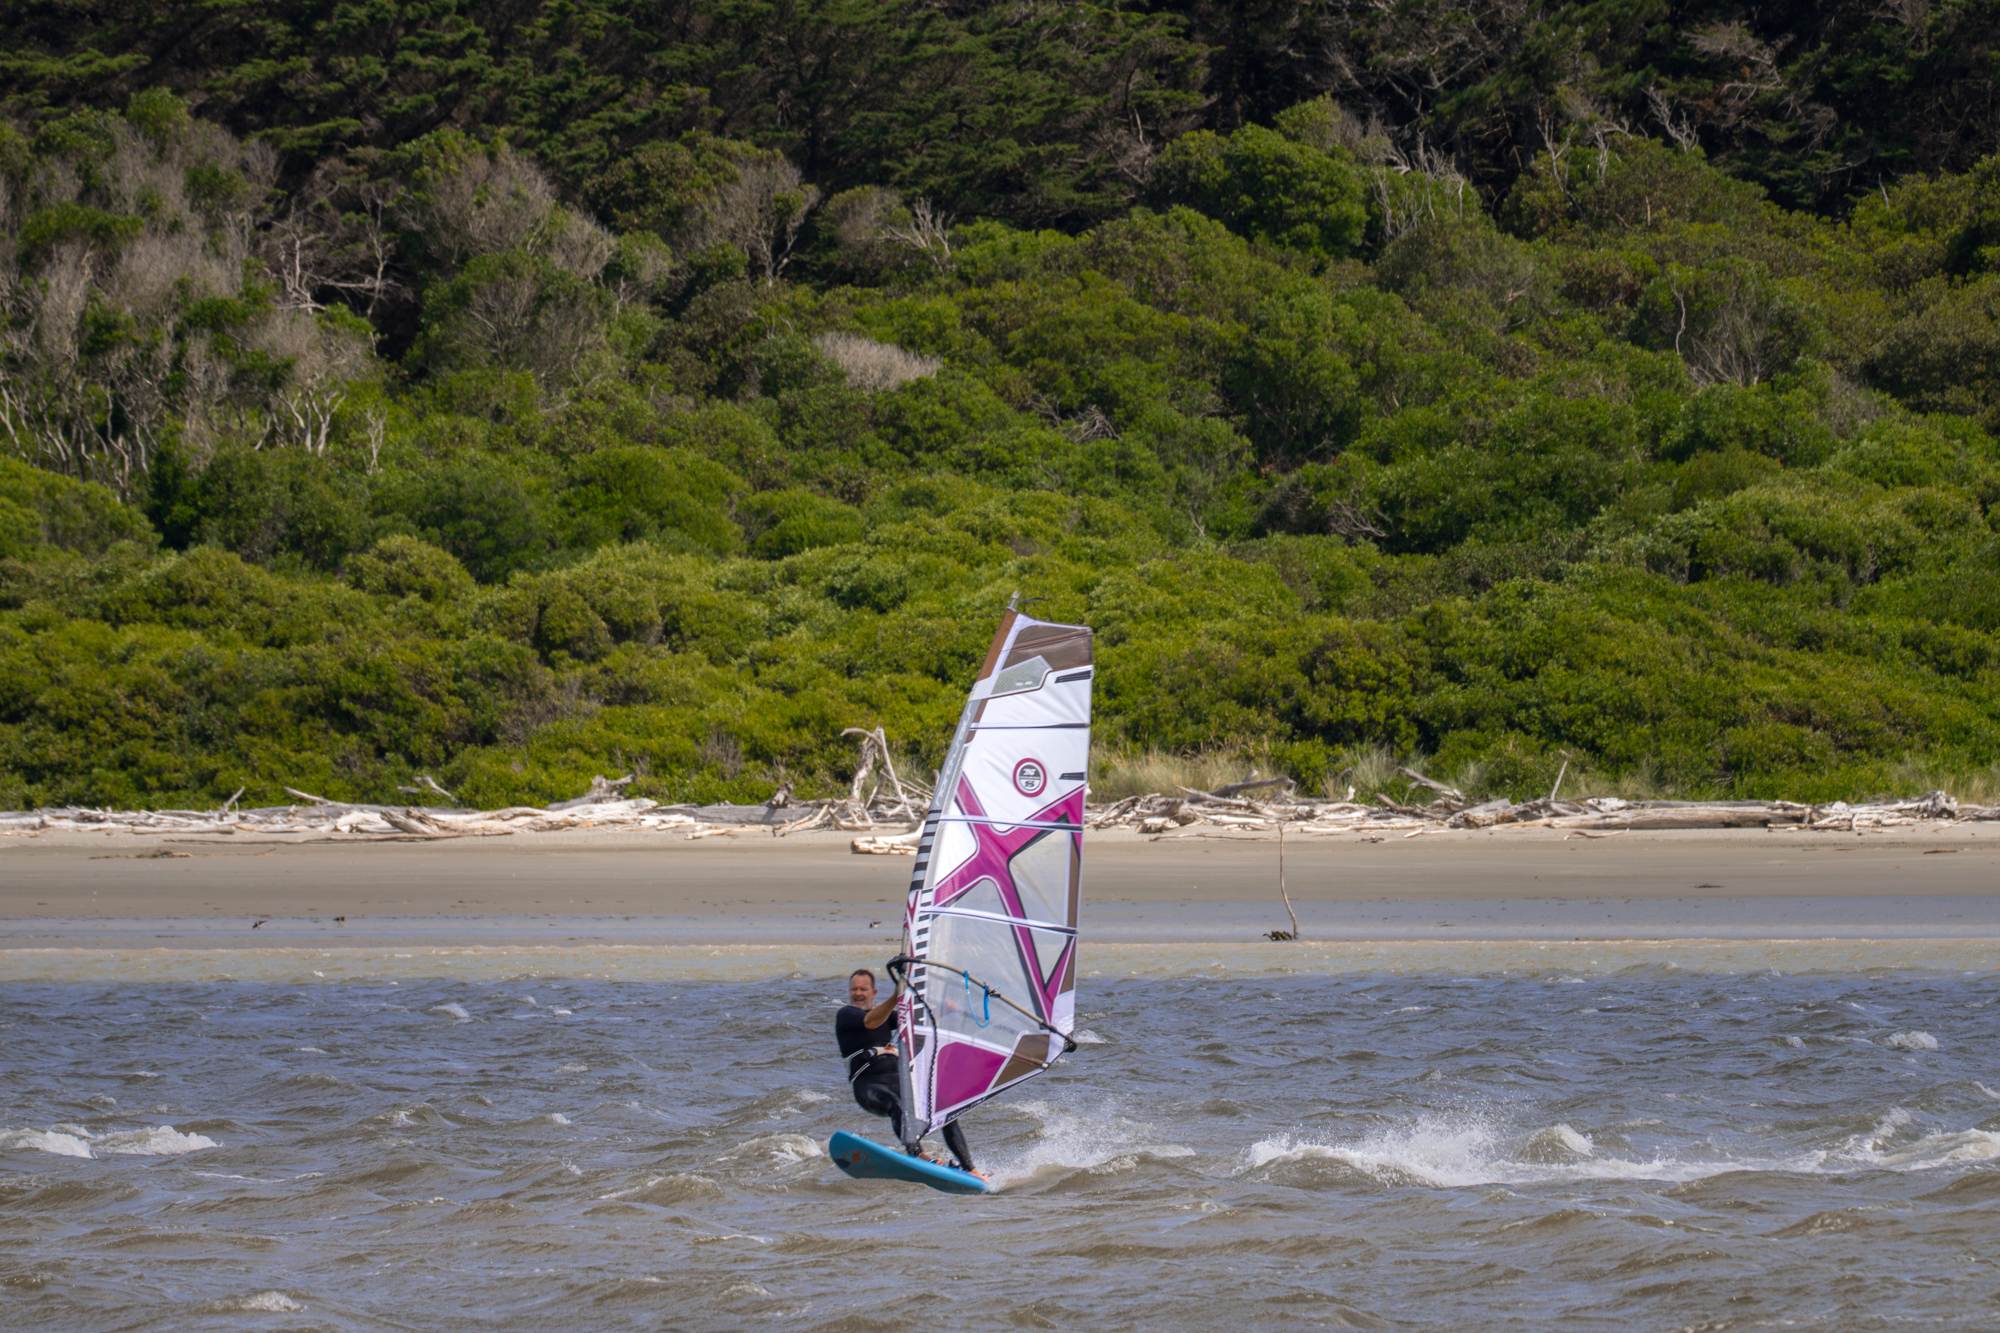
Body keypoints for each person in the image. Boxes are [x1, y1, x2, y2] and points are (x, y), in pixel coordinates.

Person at [835, 963, 977, 1174]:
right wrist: (897, 995)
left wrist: (945, 1009)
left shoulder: (889, 1017)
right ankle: (917, 1154)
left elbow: (921, 1020)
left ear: (874, 992)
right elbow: (871, 1022)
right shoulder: (846, 1014)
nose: (858, 993)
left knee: (944, 1109)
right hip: (869, 1085)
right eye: (854, 989)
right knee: (897, 1104)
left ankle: (970, 1168)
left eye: (863, 989)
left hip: (898, 1081)